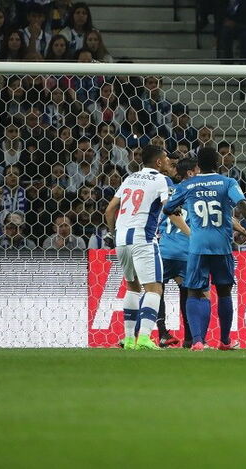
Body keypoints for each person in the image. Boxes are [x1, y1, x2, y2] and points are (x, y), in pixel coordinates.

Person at [163, 147, 246, 350]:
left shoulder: (188, 184)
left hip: (197, 246)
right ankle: (225, 341)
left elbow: (168, 208)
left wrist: (179, 208)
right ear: (218, 163)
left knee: (194, 292)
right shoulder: (228, 182)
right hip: (222, 246)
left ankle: (198, 340)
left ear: (198, 165)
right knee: (224, 291)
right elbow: (243, 204)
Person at [103, 145, 178, 351]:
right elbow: (170, 209)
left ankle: (128, 339)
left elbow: (110, 210)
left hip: (122, 239)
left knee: (132, 287)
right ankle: (144, 338)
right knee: (154, 288)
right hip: (143, 239)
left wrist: (112, 233)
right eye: (166, 158)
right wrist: (190, 233)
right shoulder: (163, 180)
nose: (169, 162)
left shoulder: (130, 178)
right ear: (159, 162)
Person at [156, 154, 197, 348]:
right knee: (187, 293)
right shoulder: (194, 192)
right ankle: (189, 337)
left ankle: (162, 332)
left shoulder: (166, 190)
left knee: (156, 291)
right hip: (185, 250)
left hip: (164, 249)